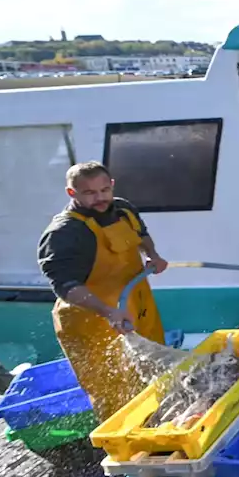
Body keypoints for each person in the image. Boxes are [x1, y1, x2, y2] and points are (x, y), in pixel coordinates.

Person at [37, 161, 169, 421]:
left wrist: (152, 255)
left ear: (112, 186)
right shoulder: (64, 233)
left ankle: (162, 428)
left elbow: (141, 234)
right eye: (90, 193)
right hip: (92, 320)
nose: (100, 198)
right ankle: (124, 447)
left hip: (138, 309)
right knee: (114, 392)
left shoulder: (123, 209)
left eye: (104, 190)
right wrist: (108, 312)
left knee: (156, 372)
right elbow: (67, 287)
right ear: (71, 193)